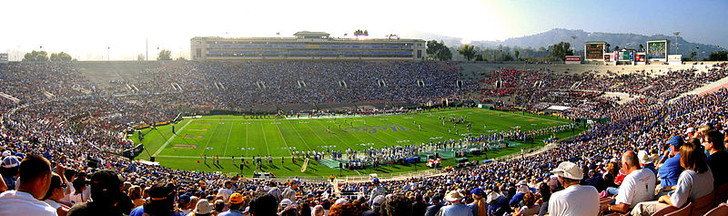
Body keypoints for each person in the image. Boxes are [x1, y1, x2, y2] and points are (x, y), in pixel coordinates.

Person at [631, 139, 714, 216]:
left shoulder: (687, 175)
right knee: (662, 191)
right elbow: (695, 186)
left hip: (683, 209)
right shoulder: (707, 168)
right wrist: (673, 187)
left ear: (686, 158)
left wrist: (664, 198)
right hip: (700, 206)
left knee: (640, 207)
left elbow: (677, 202)